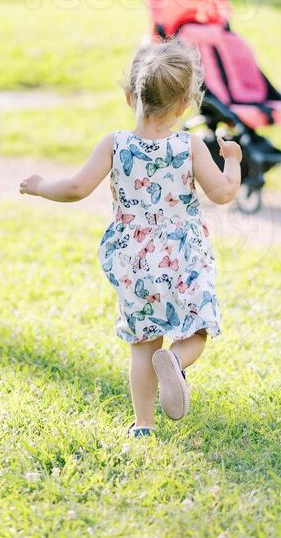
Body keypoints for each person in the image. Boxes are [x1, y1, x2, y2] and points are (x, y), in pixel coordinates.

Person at [20, 39, 242, 436]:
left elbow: (74, 188)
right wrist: (233, 162)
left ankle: (143, 425)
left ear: (130, 96)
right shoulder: (188, 146)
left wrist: (39, 186)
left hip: (134, 259)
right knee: (197, 330)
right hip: (183, 257)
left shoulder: (115, 144)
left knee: (142, 345)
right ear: (185, 105)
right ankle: (176, 362)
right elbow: (224, 193)